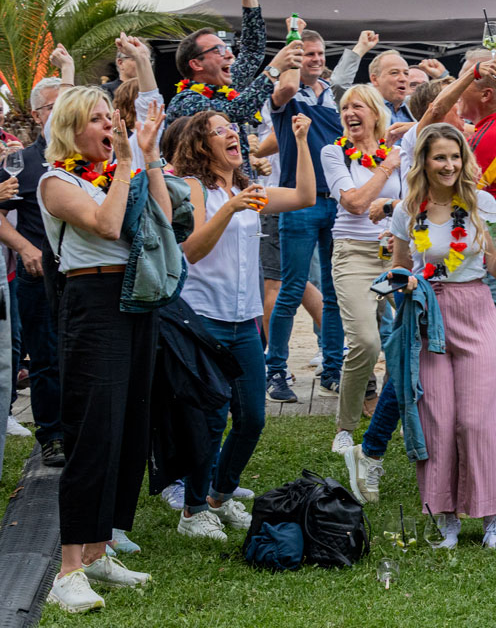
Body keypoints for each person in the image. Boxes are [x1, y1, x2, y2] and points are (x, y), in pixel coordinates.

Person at [40, 86, 168, 613]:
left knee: (130, 426)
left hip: (135, 297)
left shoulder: (118, 170)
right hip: (91, 300)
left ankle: (100, 550)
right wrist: (126, 165)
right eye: (97, 120)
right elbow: (108, 225)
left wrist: (149, 156)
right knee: (93, 430)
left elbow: (164, 218)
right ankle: (68, 570)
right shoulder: (57, 181)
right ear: (71, 128)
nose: (109, 127)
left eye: (109, 118)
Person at [172, 111, 316, 540]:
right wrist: (231, 208)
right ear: (202, 145)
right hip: (204, 318)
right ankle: (193, 510)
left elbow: (305, 196)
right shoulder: (194, 187)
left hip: (244, 320)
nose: (232, 134)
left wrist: (300, 141)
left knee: (252, 417)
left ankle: (219, 496)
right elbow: (192, 249)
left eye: (232, 128)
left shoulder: (245, 191)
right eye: (220, 131)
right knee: (212, 420)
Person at [389, 122, 496, 549]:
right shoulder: (408, 210)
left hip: (475, 309)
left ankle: (492, 516)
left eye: (455, 156)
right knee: (438, 421)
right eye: (440, 157)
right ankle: (445, 517)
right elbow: (398, 268)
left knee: (475, 420)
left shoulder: (482, 203)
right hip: (428, 315)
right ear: (424, 161)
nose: (449, 165)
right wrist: (404, 283)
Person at [320, 85, 406, 455]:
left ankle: (394, 416)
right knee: (366, 342)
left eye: (357, 106)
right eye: (344, 108)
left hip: (397, 254)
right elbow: (355, 203)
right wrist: (388, 166)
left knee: (411, 337)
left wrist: (401, 146)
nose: (349, 113)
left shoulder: (400, 151)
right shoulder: (334, 152)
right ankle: (345, 427)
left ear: (374, 112)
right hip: (353, 255)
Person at [265, 30, 346, 403]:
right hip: (298, 201)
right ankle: (276, 370)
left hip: (336, 200)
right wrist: (291, 50)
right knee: (291, 288)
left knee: (333, 291)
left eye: (319, 53)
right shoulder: (287, 93)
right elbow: (283, 89)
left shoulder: (334, 95)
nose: (315, 59)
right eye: (307, 54)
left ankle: (332, 370)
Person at [0, 76, 64, 466]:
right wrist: (24, 247)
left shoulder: (91, 155)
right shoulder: (21, 161)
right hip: (38, 273)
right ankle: (52, 435)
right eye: (54, 106)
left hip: (84, 274)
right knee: (45, 358)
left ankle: (82, 428)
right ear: (38, 115)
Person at [164, 0, 295, 133]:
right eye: (219, 50)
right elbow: (234, 112)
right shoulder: (186, 102)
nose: (229, 55)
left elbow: (252, 51)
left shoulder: (227, 84)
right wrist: (273, 70)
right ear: (196, 64)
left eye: (227, 48)